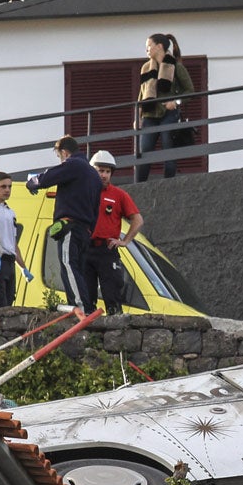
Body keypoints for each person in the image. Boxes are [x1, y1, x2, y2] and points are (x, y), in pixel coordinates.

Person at [27, 135, 102, 315]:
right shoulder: (94, 175)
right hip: (85, 229)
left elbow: (47, 178)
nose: (60, 160)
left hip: (71, 226)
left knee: (68, 264)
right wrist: (89, 230)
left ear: (64, 152)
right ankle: (83, 305)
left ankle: (81, 307)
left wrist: (32, 183)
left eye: (59, 156)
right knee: (78, 270)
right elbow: (96, 208)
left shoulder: (73, 164)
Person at [85, 150, 145, 314]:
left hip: (107, 250)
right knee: (86, 301)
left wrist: (125, 241)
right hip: (86, 249)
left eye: (107, 171)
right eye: (100, 170)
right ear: (92, 171)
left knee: (113, 298)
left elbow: (138, 220)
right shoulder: (84, 192)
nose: (104, 175)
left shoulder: (119, 195)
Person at [135, 33, 194, 181]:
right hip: (149, 115)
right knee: (144, 152)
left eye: (149, 46)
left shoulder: (176, 66)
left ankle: (169, 183)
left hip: (169, 114)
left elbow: (190, 91)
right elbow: (141, 95)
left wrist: (176, 102)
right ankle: (138, 186)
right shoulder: (145, 68)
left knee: (168, 151)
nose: (146, 50)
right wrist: (138, 116)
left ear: (159, 46)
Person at [0, 171, 33, 308]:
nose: (7, 190)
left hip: (9, 261)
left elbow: (13, 243)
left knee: (9, 303)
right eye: (3, 186)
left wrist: (23, 268)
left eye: (10, 187)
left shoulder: (10, 212)